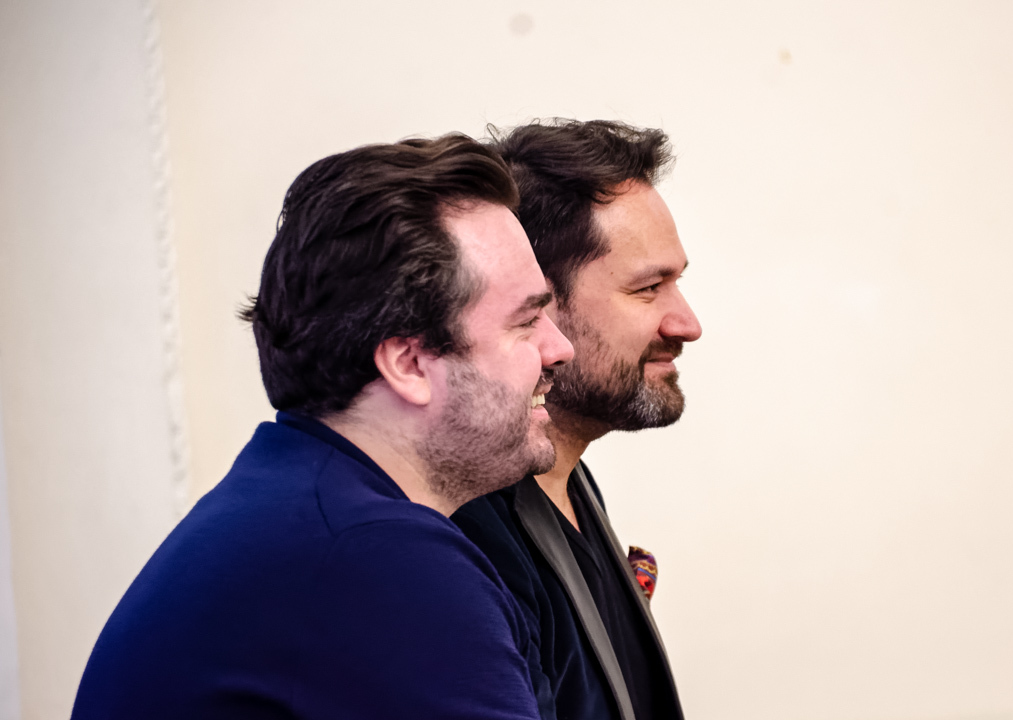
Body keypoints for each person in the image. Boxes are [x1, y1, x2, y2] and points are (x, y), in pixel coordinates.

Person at [71, 134, 574, 719]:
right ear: (409, 364)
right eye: (526, 321)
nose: (559, 348)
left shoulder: (298, 508)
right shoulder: (378, 556)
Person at [452, 120, 702, 720]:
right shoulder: (468, 535)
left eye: (677, 282)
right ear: (537, 304)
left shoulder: (571, 483)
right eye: (648, 288)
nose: (687, 324)